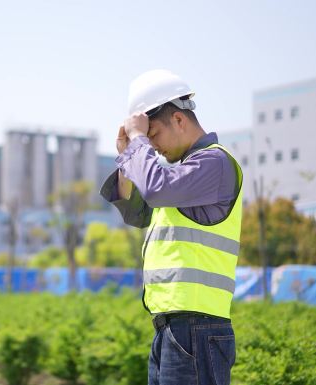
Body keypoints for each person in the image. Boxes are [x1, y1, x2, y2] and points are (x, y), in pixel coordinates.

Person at [99, 69, 243, 385]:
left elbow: (156, 189)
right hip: (173, 328)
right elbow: (137, 212)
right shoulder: (184, 177)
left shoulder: (214, 163)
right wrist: (127, 157)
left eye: (154, 137)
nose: (154, 148)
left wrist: (138, 140)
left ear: (178, 120)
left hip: (198, 329)